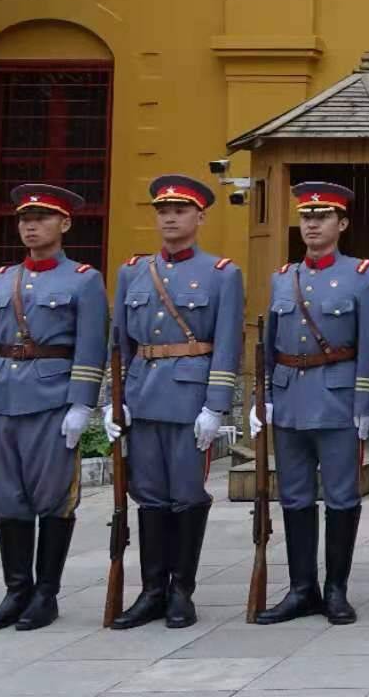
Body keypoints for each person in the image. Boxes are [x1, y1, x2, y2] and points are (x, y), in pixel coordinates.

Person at [0, 184, 106, 632]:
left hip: (51, 401)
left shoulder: (83, 279)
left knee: (52, 500)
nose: (30, 225)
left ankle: (46, 594)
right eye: (25, 218)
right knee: (7, 500)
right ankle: (15, 590)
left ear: (63, 224)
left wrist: (82, 404)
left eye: (42, 218)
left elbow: (91, 346)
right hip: (3, 400)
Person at [104, 175, 246, 629]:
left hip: (189, 399)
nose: (169, 217)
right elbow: (120, 343)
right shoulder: (132, 272)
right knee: (148, 497)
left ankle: (181, 589)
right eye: (162, 210)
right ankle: (151, 591)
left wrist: (215, 405)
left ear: (200, 217)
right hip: (143, 396)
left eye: (180, 210)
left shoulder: (222, 273)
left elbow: (226, 344)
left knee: (185, 495)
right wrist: (115, 399)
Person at [243, 181, 369, 625]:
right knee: (295, 496)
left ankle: (336, 590)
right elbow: (269, 344)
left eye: (322, 218)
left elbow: (368, 343)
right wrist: (260, 397)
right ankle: (303, 589)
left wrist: (366, 403)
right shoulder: (284, 278)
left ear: (341, 224)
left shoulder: (363, 276)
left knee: (341, 496)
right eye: (306, 217)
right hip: (289, 396)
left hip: (337, 397)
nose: (313, 224)